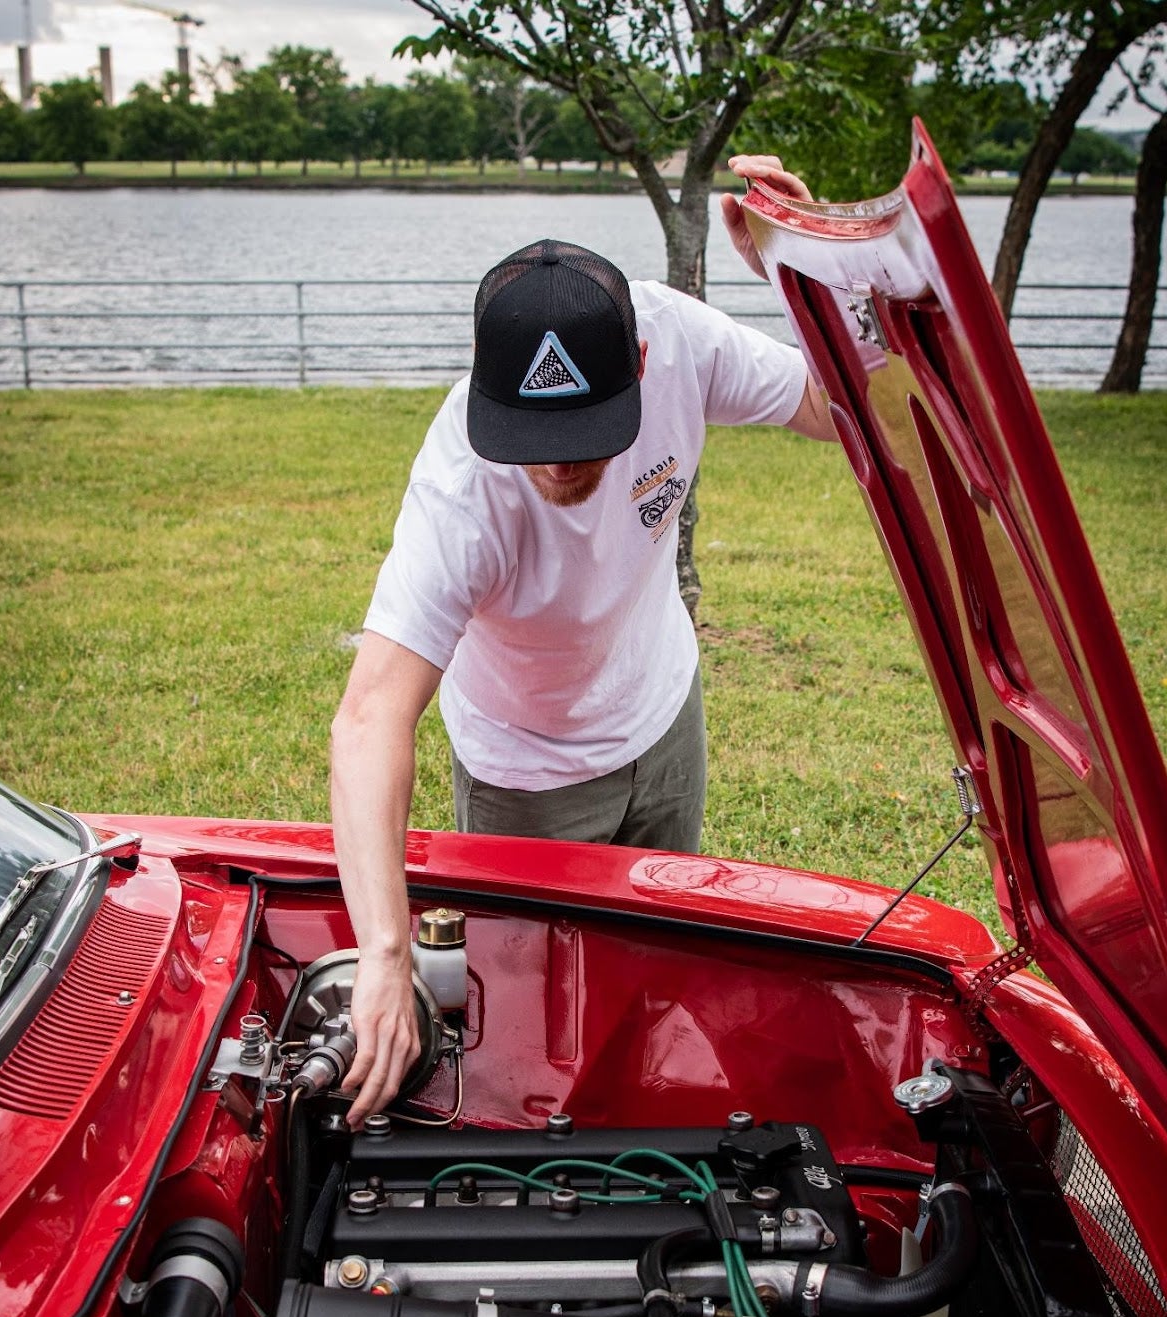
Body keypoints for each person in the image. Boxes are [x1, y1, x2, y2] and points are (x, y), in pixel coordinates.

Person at [331, 155, 835, 1126]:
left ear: (639, 363)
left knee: (657, 965)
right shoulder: (460, 496)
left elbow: (838, 408)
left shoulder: (680, 341)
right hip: (524, 772)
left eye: (585, 433)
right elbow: (368, 719)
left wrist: (807, 273)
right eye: (534, 439)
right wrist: (385, 956)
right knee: (526, 1033)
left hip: (662, 717)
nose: (559, 464)